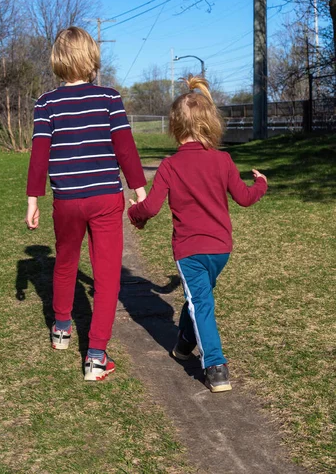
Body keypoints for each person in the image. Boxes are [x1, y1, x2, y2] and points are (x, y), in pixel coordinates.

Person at [128, 75, 268, 393]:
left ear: (175, 127)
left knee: (200, 302)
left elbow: (149, 208)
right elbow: (245, 198)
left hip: (190, 251)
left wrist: (133, 214)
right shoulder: (223, 160)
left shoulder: (170, 166)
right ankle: (184, 344)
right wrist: (261, 183)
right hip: (221, 250)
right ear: (210, 123)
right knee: (198, 298)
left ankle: (216, 367)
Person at [25, 26, 146, 382]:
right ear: (92, 58)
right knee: (107, 276)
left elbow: (39, 156)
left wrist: (33, 199)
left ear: (57, 60)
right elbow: (125, 148)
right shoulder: (110, 98)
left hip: (66, 200)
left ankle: (61, 329)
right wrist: (140, 192)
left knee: (65, 262)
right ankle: (95, 356)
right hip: (106, 197)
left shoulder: (46, 103)